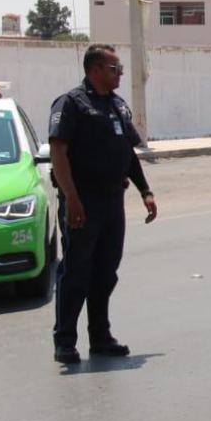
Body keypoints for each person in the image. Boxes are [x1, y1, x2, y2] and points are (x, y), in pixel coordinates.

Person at [48, 44, 158, 364]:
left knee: (105, 272)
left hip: (112, 202)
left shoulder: (118, 105)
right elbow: (58, 153)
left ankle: (100, 336)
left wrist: (145, 190)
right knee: (76, 272)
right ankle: (65, 341)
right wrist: (71, 198)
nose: (120, 73)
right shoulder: (71, 103)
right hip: (83, 201)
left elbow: (127, 153)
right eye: (114, 68)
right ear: (94, 69)